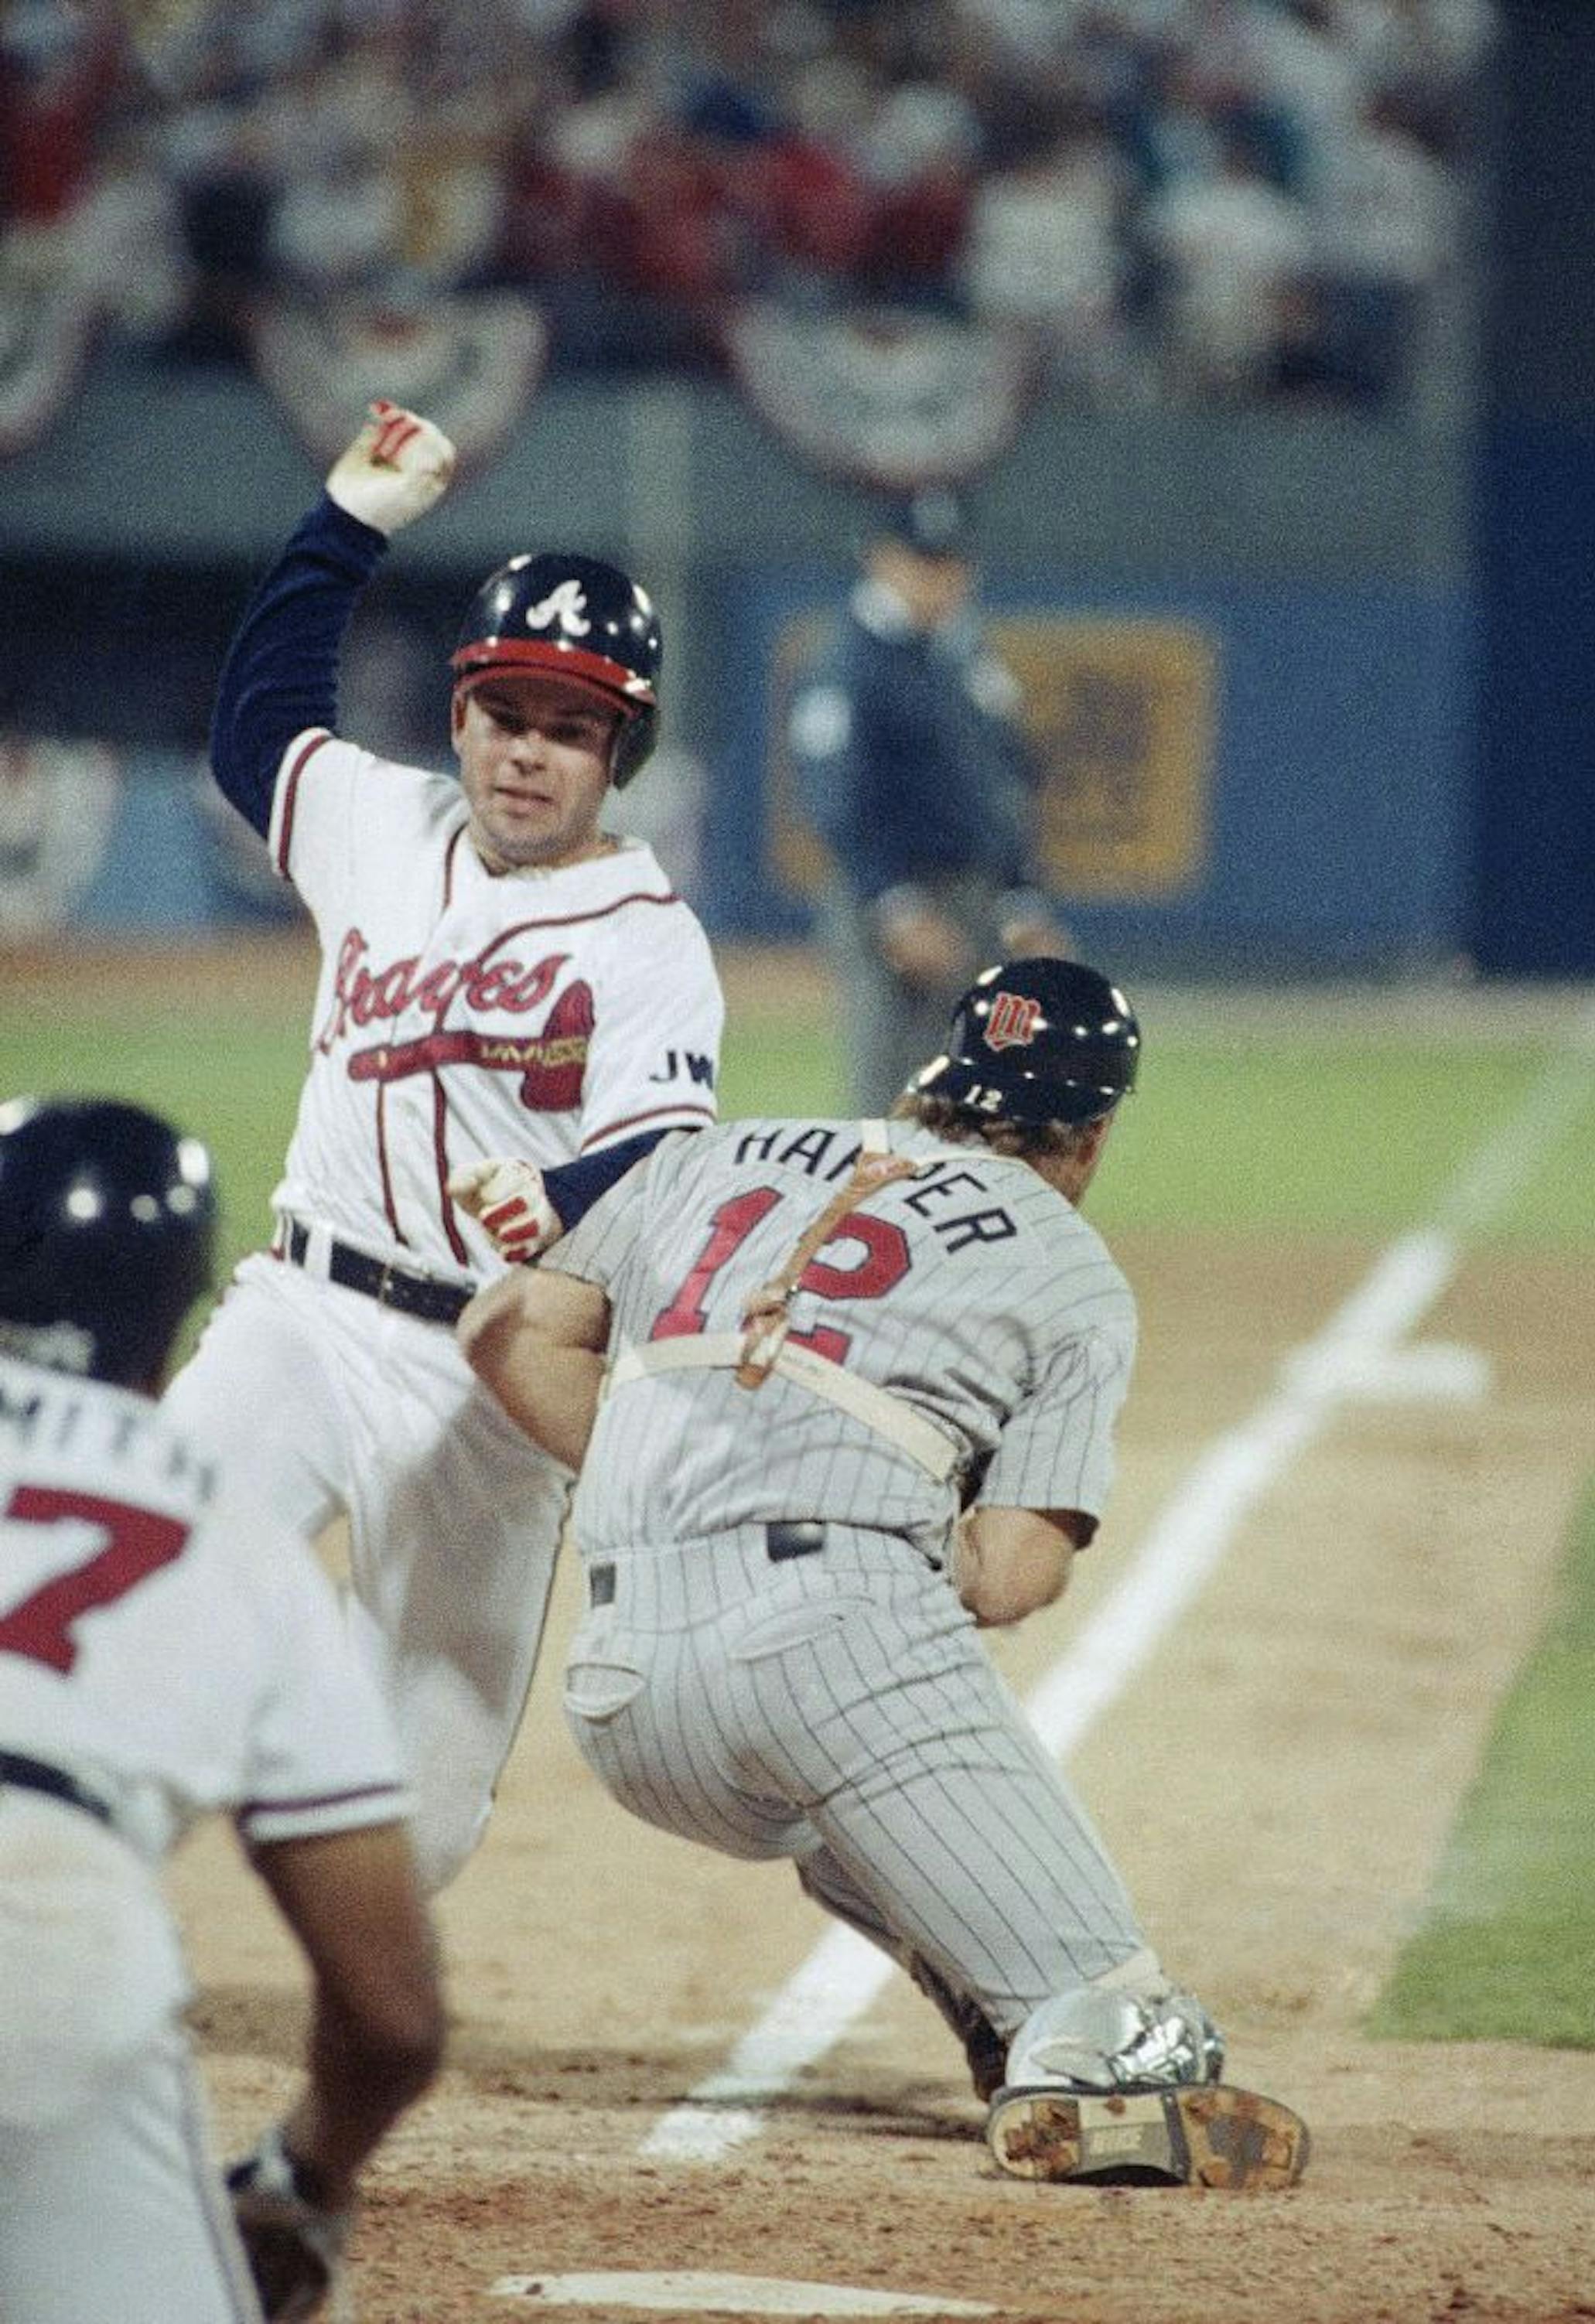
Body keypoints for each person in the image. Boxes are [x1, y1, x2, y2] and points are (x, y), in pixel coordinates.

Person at [456, 959, 1309, 2189]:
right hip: (824, 1660)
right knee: (1153, 2036)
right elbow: (1013, 1573)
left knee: (838, 1786)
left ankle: (997, 1996)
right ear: (1097, 1128)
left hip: (620, 1693)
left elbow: (500, 1328)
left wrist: (683, 1468)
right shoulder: (1069, 1263)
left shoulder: (715, 1151)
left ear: (941, 1077)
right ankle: (1072, 2050)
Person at [162, 398, 726, 1892]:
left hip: (486, 1377)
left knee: (407, 1840)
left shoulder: (648, 938)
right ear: (461, 712)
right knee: (139, 1581)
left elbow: (665, 1147)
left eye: (572, 727)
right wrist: (341, 529)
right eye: (507, 713)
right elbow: (256, 730)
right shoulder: (378, 824)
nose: (529, 754)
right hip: (306, 1312)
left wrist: (556, 1193)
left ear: (619, 751)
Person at [0, 1096, 445, 2323]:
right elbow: (393, 2016)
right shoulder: (226, 1521)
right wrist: (306, 2179)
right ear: (179, 1317)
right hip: (46, 1939)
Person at [787, 489, 1072, 1114]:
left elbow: (1007, 784)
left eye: (952, 560)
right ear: (881, 560)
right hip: (894, 900)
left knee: (989, 1099)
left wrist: (1023, 896)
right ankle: (872, 1214)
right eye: (924, 560)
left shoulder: (962, 655)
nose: (942, 577)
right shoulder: (845, 661)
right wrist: (894, 906)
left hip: (979, 898)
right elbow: (834, 797)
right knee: (894, 1101)